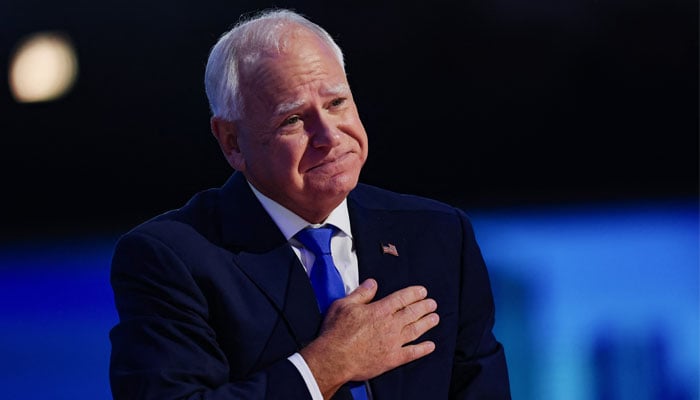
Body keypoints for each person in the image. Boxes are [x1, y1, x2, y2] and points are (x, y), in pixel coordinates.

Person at [109, 8, 511, 400]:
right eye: (294, 120)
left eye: (337, 103)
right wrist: (325, 366)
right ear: (232, 141)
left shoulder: (438, 235)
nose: (330, 136)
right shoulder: (170, 259)